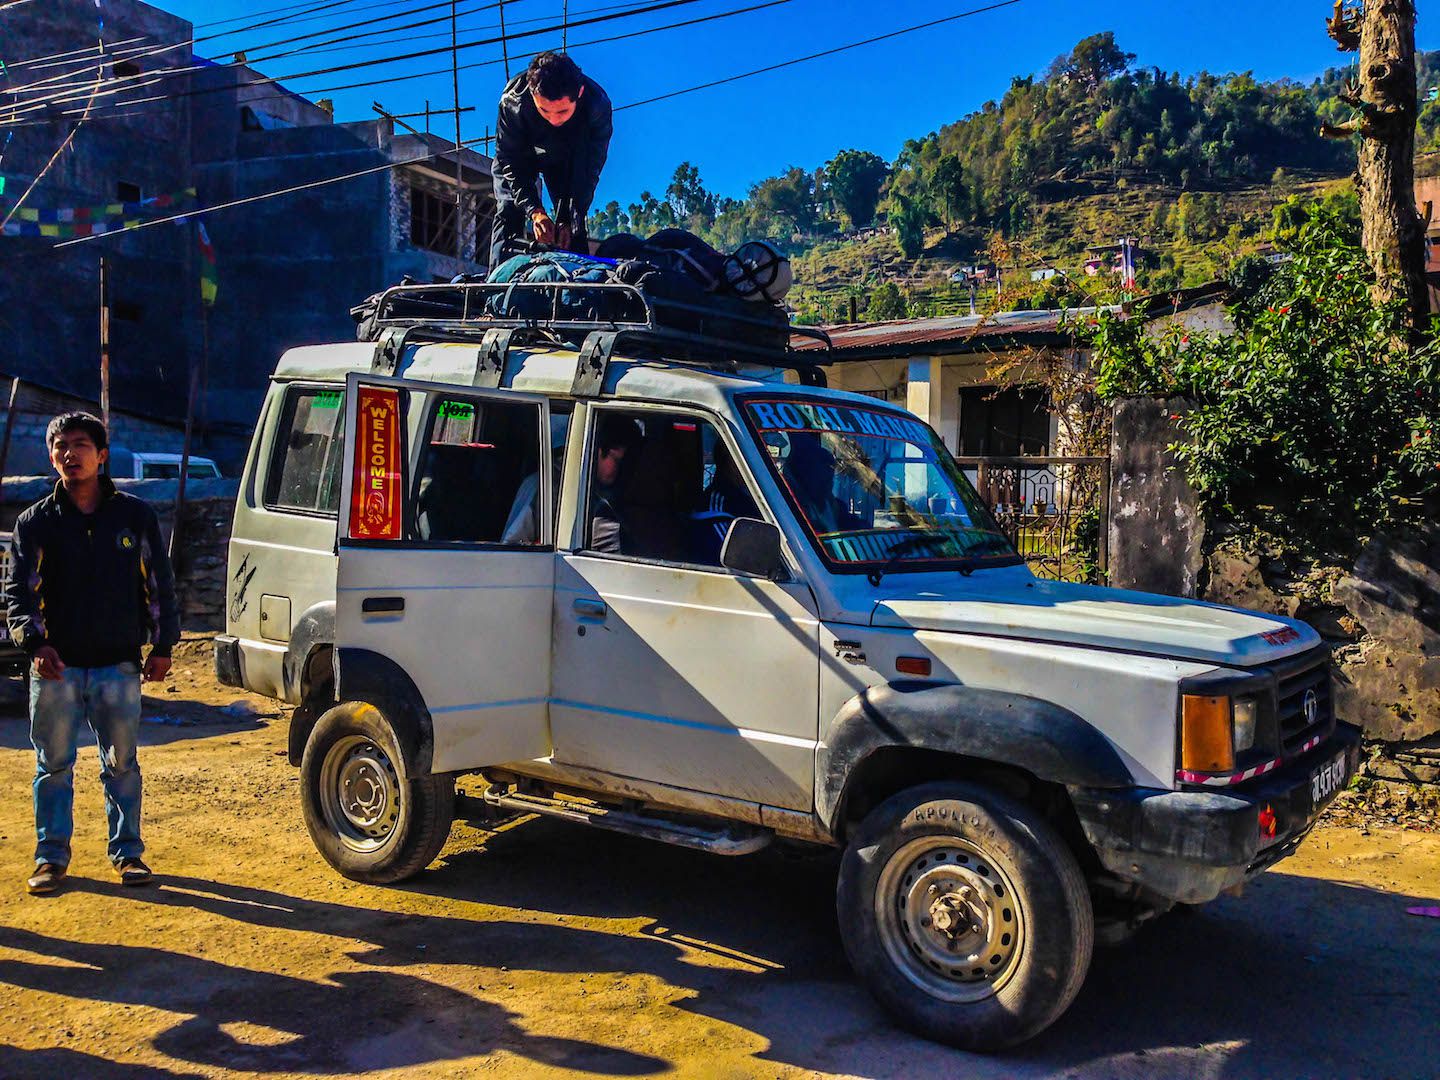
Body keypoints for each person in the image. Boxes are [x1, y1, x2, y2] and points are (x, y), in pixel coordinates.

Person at [5, 413, 179, 895]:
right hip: (55, 667)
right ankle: (50, 858)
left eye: (80, 445)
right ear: (51, 455)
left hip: (117, 663)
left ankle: (128, 854)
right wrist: (35, 644)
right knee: (53, 766)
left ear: (102, 455)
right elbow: (18, 592)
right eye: (60, 445)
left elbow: (158, 583)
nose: (69, 453)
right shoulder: (35, 522)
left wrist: (163, 645)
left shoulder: (134, 516)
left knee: (121, 763)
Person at [490, 52, 612, 267]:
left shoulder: (597, 106)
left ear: (580, 93)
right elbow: (508, 159)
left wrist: (569, 215)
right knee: (508, 209)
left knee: (574, 225)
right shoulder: (512, 102)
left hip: (567, 158)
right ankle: (498, 287)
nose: (554, 120)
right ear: (531, 92)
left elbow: (590, 170)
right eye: (544, 110)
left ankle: (577, 286)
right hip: (519, 155)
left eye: (563, 111)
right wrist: (535, 211)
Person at [588, 415, 641, 554]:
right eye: (617, 461)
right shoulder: (548, 490)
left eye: (629, 464)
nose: (621, 471)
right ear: (598, 451)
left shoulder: (622, 497)